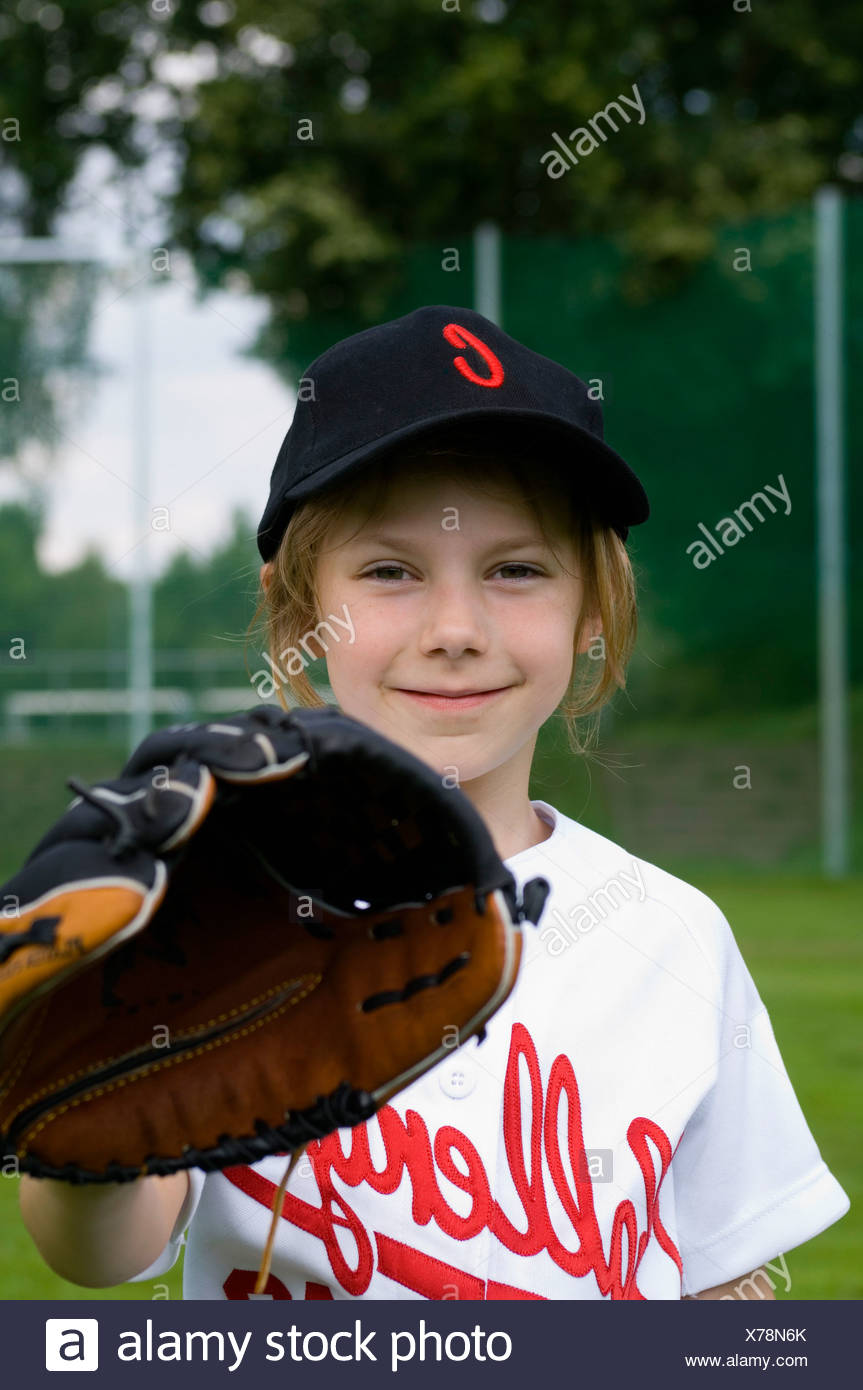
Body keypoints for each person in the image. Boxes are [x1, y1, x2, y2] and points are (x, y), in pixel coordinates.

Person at [19, 304, 849, 1301]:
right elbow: (99, 1249)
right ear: (297, 608)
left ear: (593, 608)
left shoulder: (672, 938)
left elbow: (729, 1282)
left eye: (515, 569)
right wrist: (84, 1118)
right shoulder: (219, 909)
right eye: (388, 571)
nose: (455, 626)